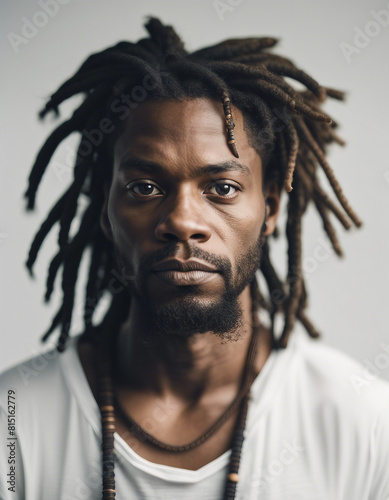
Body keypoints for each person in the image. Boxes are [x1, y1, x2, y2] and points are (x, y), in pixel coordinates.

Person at [0, 17, 388, 500]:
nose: (183, 221)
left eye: (222, 188)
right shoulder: (11, 421)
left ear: (270, 208)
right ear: (105, 209)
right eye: (145, 187)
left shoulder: (365, 423)